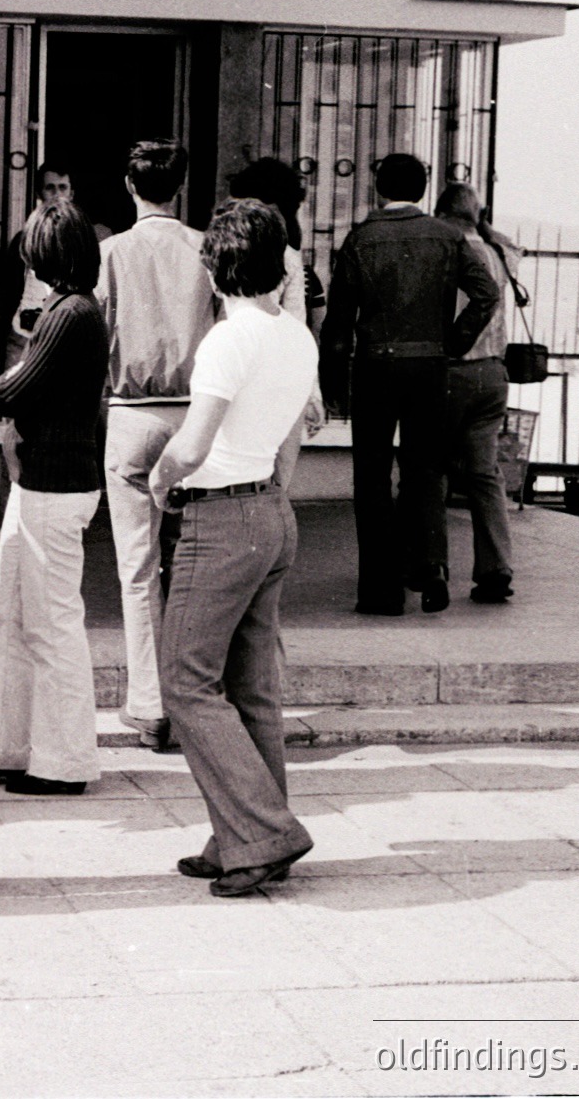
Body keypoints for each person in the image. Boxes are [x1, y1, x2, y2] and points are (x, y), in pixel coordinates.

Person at [150, 198, 319, 898]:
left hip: (218, 518)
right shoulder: (295, 337)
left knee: (186, 680)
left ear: (214, 265)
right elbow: (290, 435)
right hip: (269, 509)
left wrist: (159, 480)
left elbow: (190, 446)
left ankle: (261, 831)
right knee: (252, 689)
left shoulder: (228, 338)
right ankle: (243, 836)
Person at [0, 200, 109, 795]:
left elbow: (8, 391)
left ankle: (65, 761)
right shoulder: (73, 310)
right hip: (44, 482)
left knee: (49, 626)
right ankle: (2, 748)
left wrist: (3, 370)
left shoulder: (68, 314)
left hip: (53, 484)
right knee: (12, 618)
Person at [321, 153, 500, 615]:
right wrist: (453, 342)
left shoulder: (360, 239)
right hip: (430, 368)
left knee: (372, 478)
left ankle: (381, 591)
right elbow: (487, 293)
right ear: (422, 190)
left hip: (376, 367)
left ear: (380, 187)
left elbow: (339, 323)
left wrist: (332, 382)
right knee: (424, 473)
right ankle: (432, 570)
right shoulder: (448, 237)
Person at [94, 139, 216, 751]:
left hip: (132, 416)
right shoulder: (207, 252)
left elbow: (93, 341)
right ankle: (194, 694)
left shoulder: (109, 253)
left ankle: (149, 702)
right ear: (182, 185)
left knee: (138, 568)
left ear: (128, 185)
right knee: (195, 566)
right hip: (197, 417)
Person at [435, 181, 518, 605]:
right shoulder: (501, 252)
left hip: (455, 371)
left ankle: (431, 566)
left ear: (444, 215)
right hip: (494, 375)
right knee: (485, 474)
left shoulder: (448, 250)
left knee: (430, 469)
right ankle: (496, 567)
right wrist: (484, 224)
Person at [227, 158, 327, 489]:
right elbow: (299, 330)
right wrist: (312, 392)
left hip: (235, 379)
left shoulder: (218, 250)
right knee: (276, 485)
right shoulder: (289, 256)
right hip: (280, 383)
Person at [0, 162, 76, 414]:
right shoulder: (24, 240)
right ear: (39, 194)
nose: (57, 195)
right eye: (50, 188)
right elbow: (6, 293)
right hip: (22, 339)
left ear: (72, 193)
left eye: (63, 188)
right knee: (16, 409)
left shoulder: (79, 241)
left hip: (64, 339)